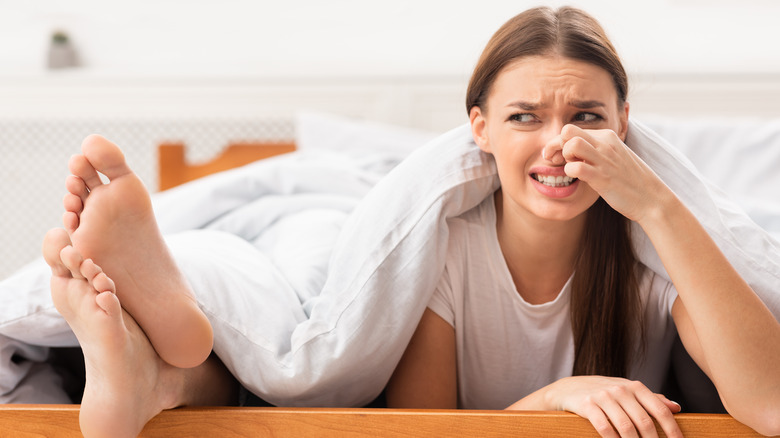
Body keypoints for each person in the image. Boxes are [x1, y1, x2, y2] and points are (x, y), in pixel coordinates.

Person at [40, 6, 779, 438]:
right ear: (479, 129)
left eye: (588, 117)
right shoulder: (447, 240)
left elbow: (771, 403)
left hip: (652, 218)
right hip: (329, 221)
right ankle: (153, 350)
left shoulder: (653, 251)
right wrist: (558, 400)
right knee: (270, 324)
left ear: (626, 126)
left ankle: (147, 378)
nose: (561, 142)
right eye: (525, 116)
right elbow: (419, 428)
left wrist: (655, 201)